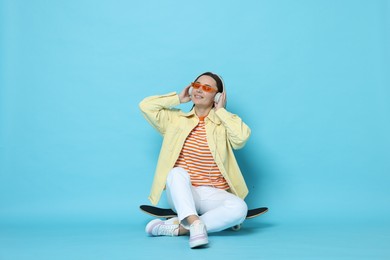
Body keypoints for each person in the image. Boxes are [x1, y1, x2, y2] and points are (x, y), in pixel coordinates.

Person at [139, 72, 251, 248]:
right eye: (196, 85)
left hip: (212, 194)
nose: (199, 90)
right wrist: (177, 98)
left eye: (207, 88)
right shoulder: (175, 120)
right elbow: (145, 106)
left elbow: (241, 138)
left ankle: (181, 227)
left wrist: (221, 111)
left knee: (240, 208)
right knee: (176, 173)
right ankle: (195, 222)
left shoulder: (223, 124)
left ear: (218, 96)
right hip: (182, 191)